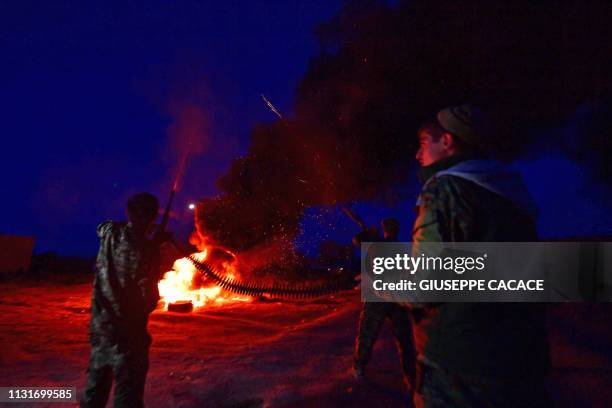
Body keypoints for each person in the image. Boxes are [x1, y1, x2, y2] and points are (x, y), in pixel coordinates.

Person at [410, 105, 550, 407]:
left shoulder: (444, 188)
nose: (418, 155)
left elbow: (424, 286)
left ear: (447, 142)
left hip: (458, 365)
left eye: (424, 144)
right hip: (521, 360)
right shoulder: (514, 194)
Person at [81, 192, 166, 408]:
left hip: (100, 327)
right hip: (128, 335)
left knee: (95, 388)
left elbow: (102, 227)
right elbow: (148, 300)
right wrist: (152, 244)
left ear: (128, 212)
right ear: (153, 217)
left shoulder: (110, 231)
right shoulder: (146, 250)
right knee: (128, 394)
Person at [353, 218, 416, 399]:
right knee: (403, 338)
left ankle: (359, 366)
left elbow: (357, 241)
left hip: (380, 296)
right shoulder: (400, 248)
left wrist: (369, 235)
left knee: (368, 333)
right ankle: (410, 375)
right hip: (394, 296)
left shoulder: (379, 243)